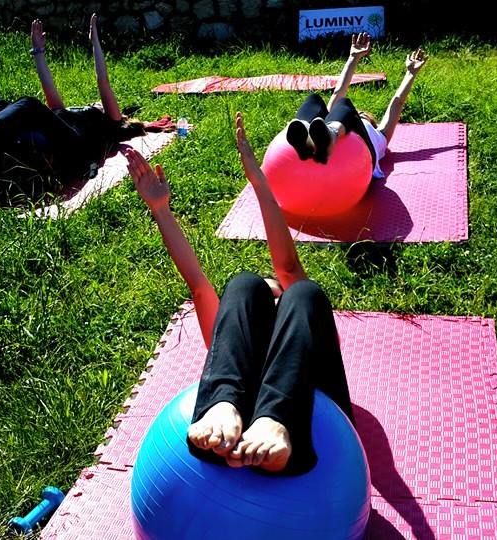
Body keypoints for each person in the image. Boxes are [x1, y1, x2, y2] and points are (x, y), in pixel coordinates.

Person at [122, 113, 354, 475]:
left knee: (305, 293)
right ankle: (222, 404)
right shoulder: (240, 336)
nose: (271, 298)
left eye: (275, 295)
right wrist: (160, 210)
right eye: (267, 299)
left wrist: (259, 182)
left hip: (311, 412)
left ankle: (277, 419)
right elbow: (199, 284)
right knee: (244, 283)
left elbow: (288, 268)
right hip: (238, 417)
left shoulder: (300, 313)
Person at [0, 14, 146, 191]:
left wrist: (95, 42)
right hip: (59, 138)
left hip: (76, 152)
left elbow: (103, 81)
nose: (98, 101)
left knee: (28, 104)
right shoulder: (67, 115)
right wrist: (38, 50)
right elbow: (48, 86)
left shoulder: (111, 123)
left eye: (100, 103)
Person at [287, 33, 428, 178]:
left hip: (363, 160)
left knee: (344, 104)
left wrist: (411, 74)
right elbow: (339, 91)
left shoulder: (381, 135)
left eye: (361, 114)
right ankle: (303, 132)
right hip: (324, 148)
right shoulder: (329, 121)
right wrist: (353, 57)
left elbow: (397, 103)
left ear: (371, 122)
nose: (360, 113)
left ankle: (331, 136)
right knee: (314, 99)